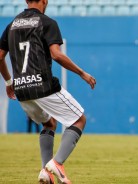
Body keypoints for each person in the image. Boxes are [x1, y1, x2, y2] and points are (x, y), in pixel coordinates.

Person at [0, 0, 96, 183]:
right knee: (79, 119)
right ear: (44, 1)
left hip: (21, 89)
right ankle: (57, 163)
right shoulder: (47, 22)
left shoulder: (11, 25)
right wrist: (82, 73)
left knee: (49, 123)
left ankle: (46, 172)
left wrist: (8, 82)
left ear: (26, 1)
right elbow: (56, 54)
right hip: (43, 86)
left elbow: (0, 56)